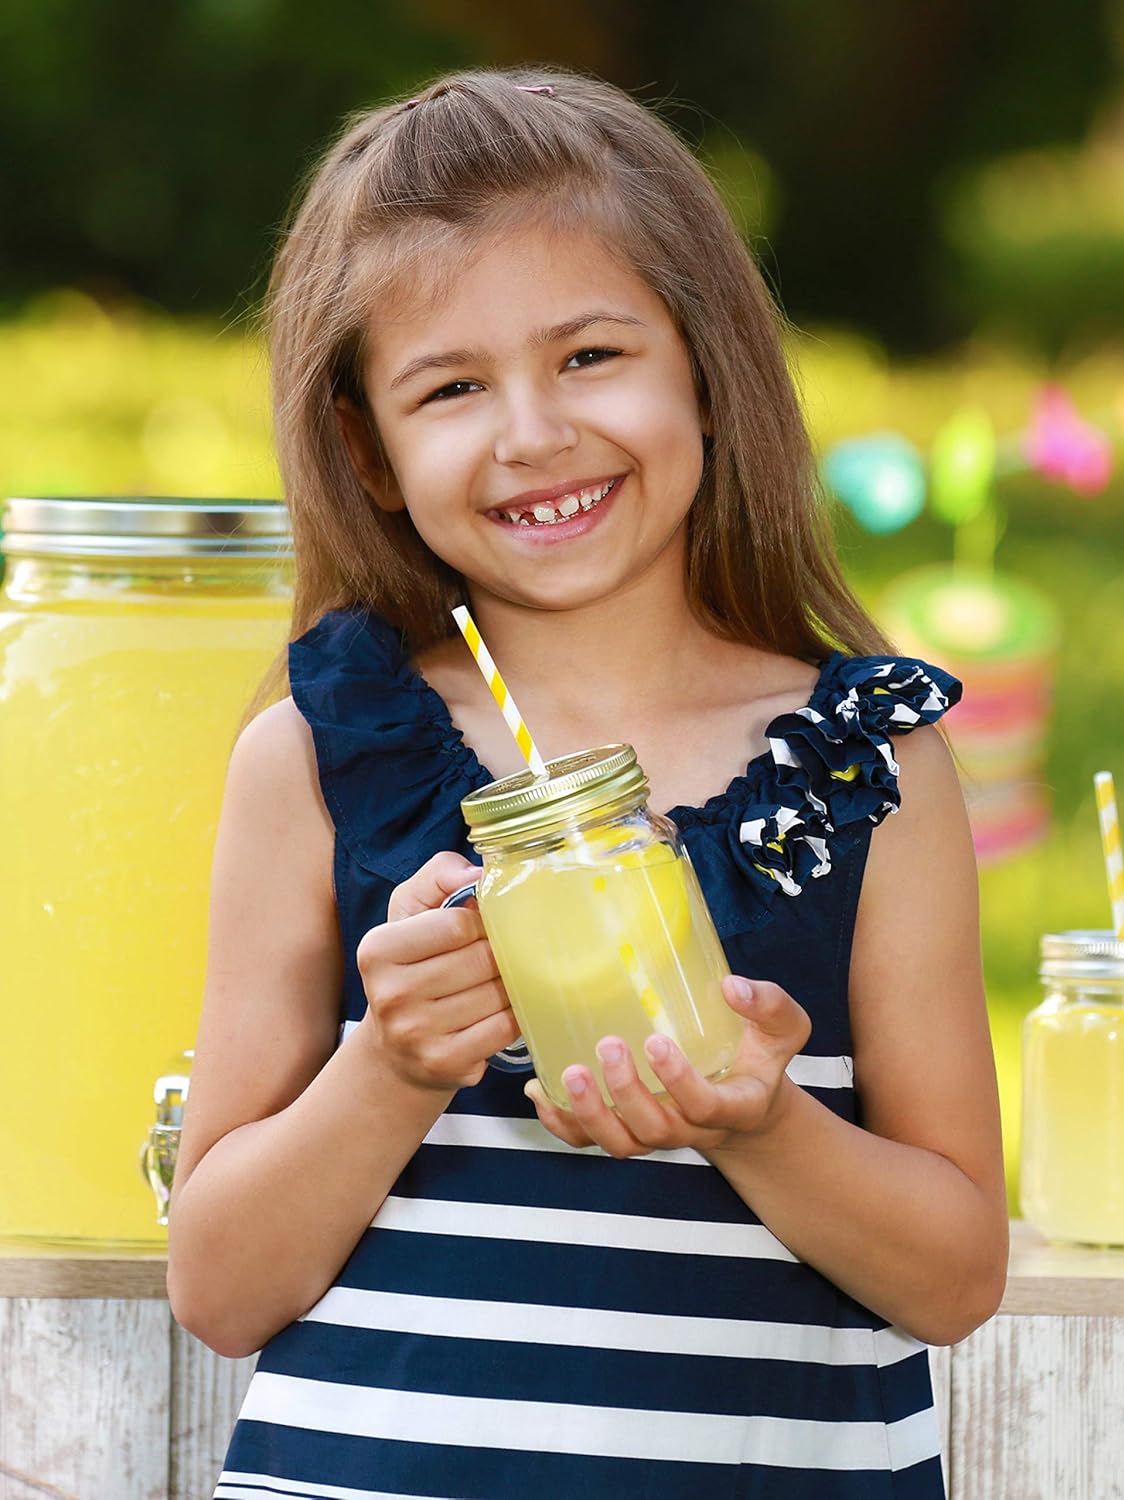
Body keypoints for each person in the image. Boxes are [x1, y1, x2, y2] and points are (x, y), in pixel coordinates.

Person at [168, 65, 1007, 1500]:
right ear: (370, 450)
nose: (533, 434)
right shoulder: (318, 758)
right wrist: (391, 1065)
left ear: (707, 368)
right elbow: (221, 1289)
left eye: (590, 356)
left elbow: (955, 1277)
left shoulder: (864, 773)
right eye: (451, 387)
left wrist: (762, 1122)